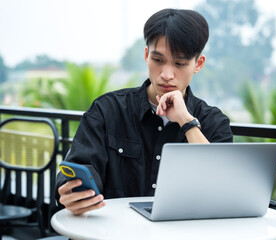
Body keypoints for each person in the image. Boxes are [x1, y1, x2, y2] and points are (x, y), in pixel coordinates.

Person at [56, 8, 233, 215]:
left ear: (198, 64)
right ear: (147, 55)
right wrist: (70, 192)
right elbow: (77, 169)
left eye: (179, 63)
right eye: (158, 60)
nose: (166, 75)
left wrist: (187, 122)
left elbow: (223, 187)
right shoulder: (107, 111)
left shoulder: (213, 122)